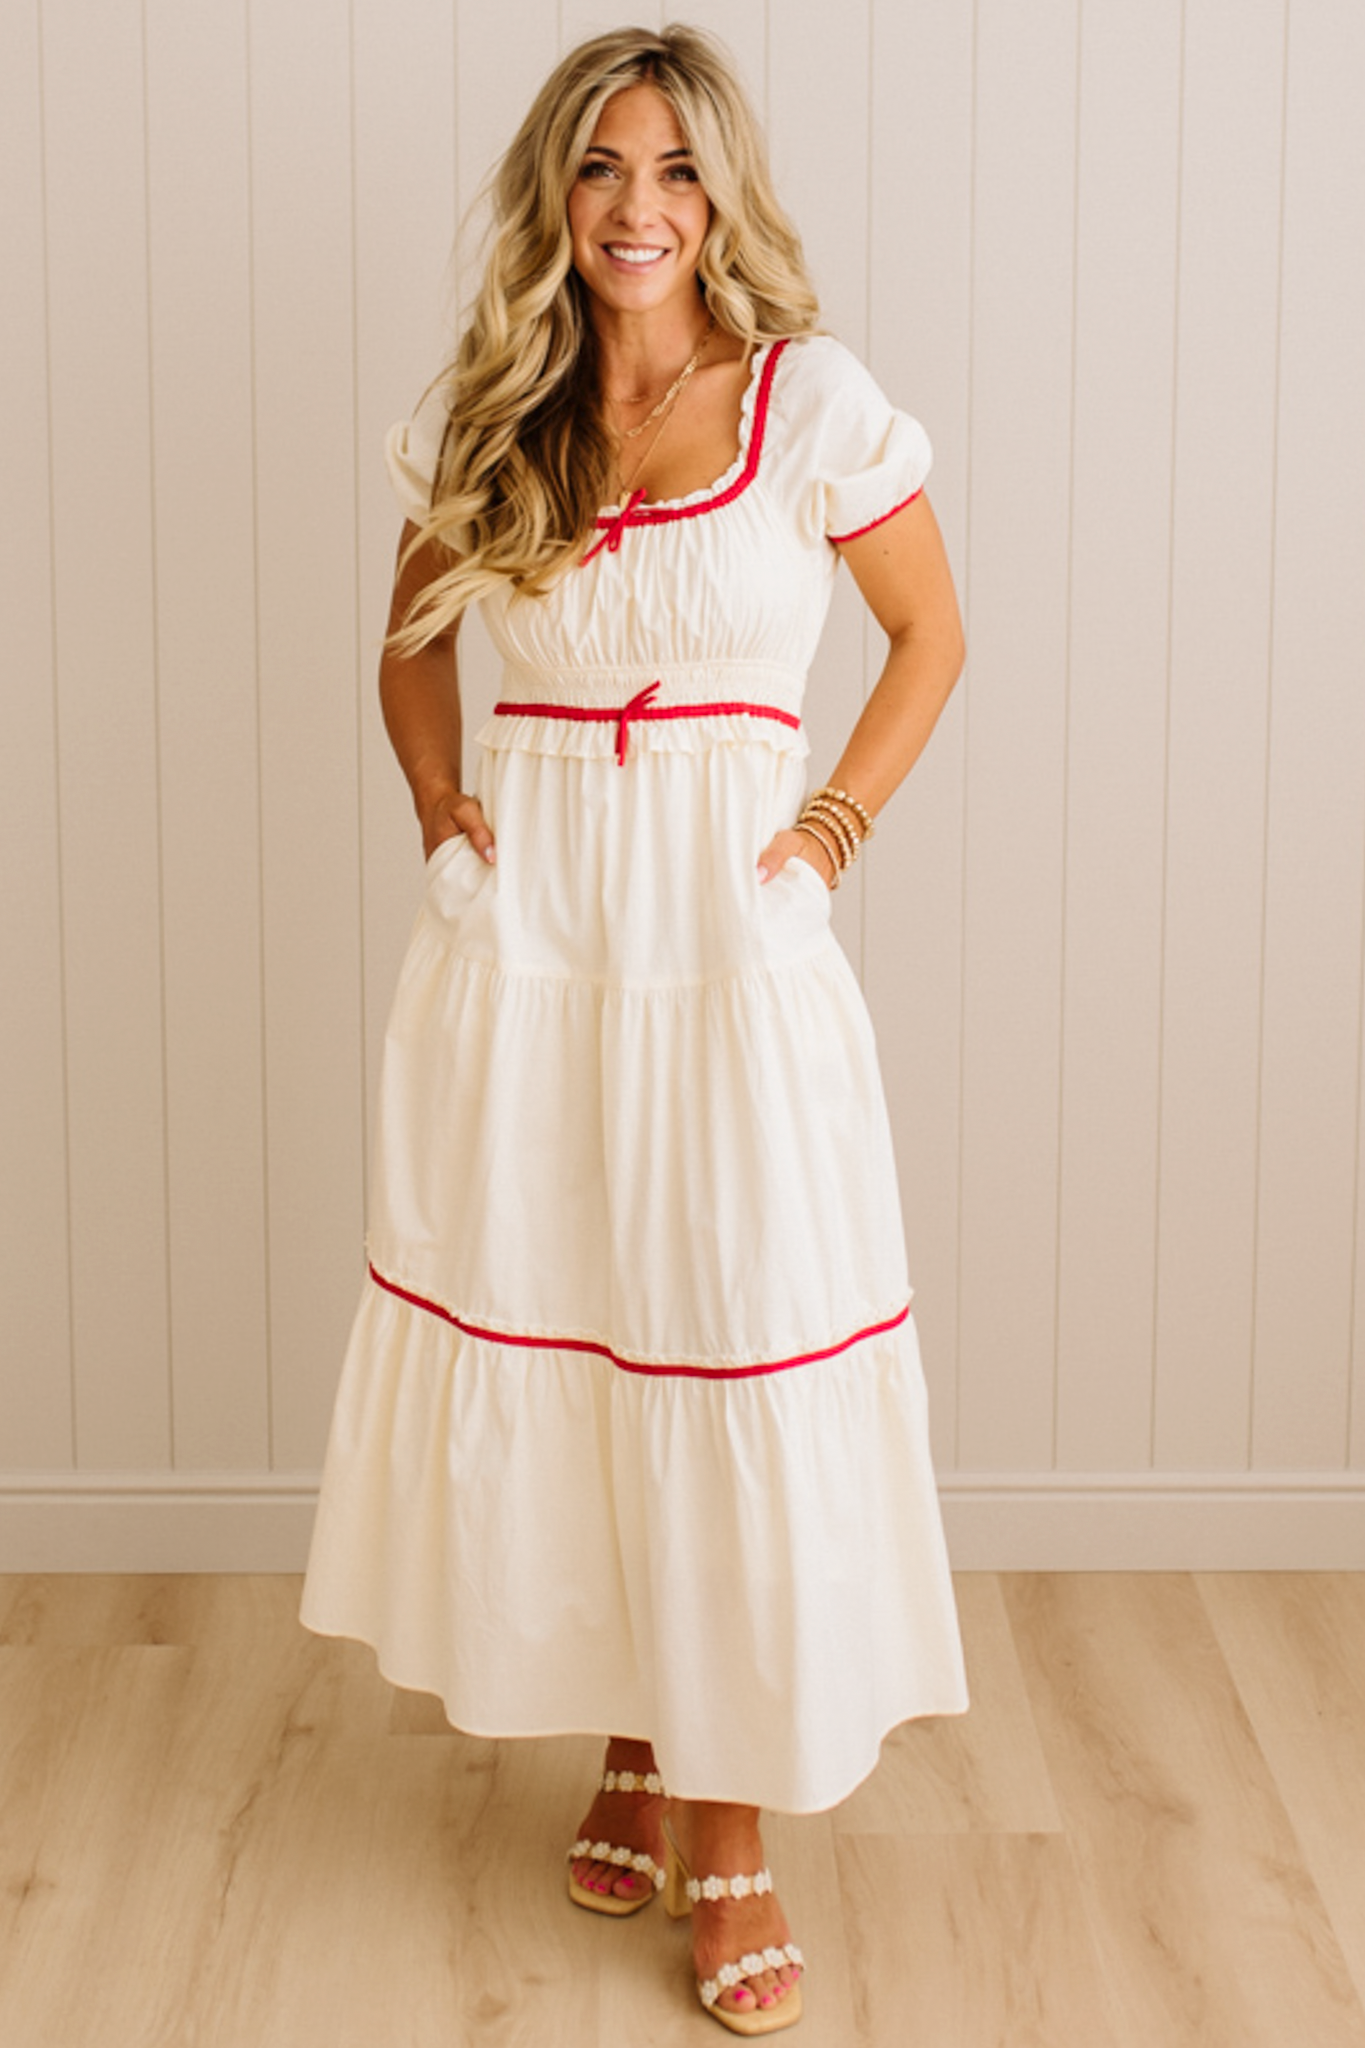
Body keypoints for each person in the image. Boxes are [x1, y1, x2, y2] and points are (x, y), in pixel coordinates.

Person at [301, 23, 968, 2036]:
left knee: (726, 1328)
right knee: (580, 1318)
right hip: (540, 944)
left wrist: (824, 837)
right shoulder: (500, 419)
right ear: (554, 198)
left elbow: (932, 632)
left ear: (718, 196)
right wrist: (446, 816)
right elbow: (411, 644)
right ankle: (630, 1731)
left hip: (722, 937)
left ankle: (732, 1818)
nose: (638, 208)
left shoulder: (805, 402)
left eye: (675, 171)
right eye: (601, 170)